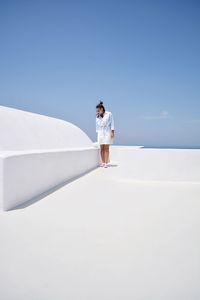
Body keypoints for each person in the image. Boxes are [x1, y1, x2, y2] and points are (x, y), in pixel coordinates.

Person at [96, 101, 115, 168]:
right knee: (101, 148)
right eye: (97, 110)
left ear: (101, 108)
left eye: (98, 110)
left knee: (106, 148)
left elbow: (112, 123)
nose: (97, 111)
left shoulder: (109, 114)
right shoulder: (98, 116)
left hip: (107, 131)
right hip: (100, 132)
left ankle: (106, 163)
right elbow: (97, 125)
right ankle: (103, 162)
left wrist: (112, 132)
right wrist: (98, 133)